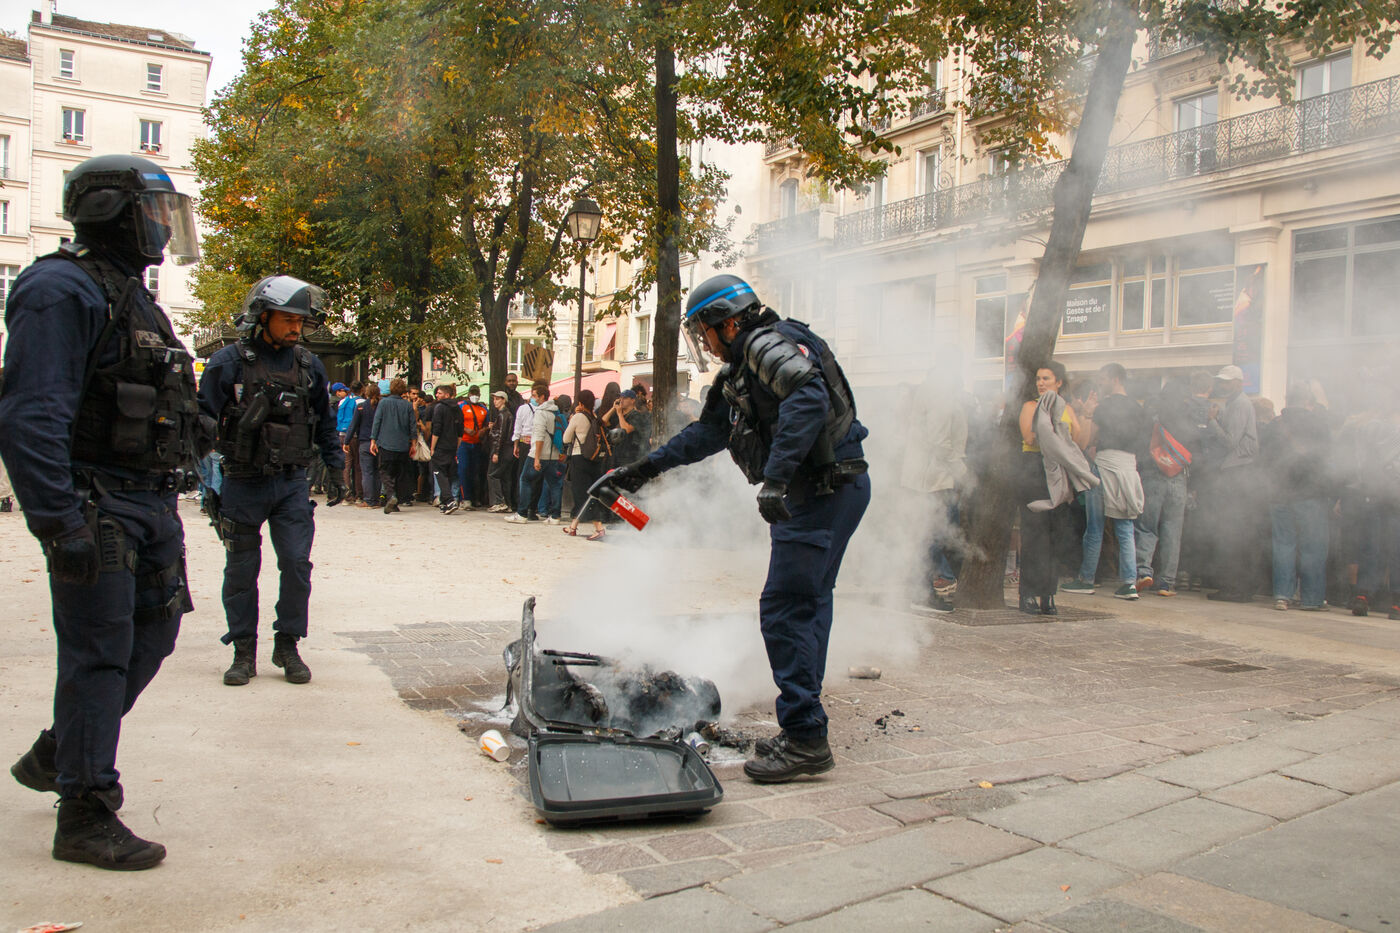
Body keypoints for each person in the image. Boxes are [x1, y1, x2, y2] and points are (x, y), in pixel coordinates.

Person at [1, 154, 206, 869]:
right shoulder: (59, 289)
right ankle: (85, 811)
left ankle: (62, 748)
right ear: (108, 211)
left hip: (150, 500)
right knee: (98, 656)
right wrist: (59, 522)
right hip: (97, 501)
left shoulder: (135, 297)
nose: (162, 228)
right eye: (152, 212)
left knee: (156, 634)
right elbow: (32, 413)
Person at [596, 274, 869, 784]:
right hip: (830, 489)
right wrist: (642, 470)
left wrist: (777, 478)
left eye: (704, 331)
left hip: (818, 491)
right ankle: (804, 727)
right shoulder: (745, 366)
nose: (704, 342)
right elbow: (708, 433)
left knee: (785, 609)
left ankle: (806, 737)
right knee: (807, 603)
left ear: (727, 322)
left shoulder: (765, 345)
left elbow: (808, 397)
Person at [199, 275, 345, 688]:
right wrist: (200, 476)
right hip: (242, 483)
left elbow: (324, 422)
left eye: (301, 321)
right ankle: (243, 651)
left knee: (297, 564)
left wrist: (335, 468)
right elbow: (201, 419)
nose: (297, 327)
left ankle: (287, 645)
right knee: (241, 570)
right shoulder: (227, 362)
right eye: (288, 319)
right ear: (262, 316)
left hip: (291, 483)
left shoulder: (308, 365)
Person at [1019, 361, 1093, 615]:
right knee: (1034, 534)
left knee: (1054, 536)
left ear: (1059, 382)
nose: (1041, 383)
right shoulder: (1030, 406)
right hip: (1035, 470)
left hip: (1059, 474)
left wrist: (1087, 415)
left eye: (1046, 379)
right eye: (1039, 379)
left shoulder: (1067, 409)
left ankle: (1048, 594)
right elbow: (1030, 437)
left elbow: (1080, 443)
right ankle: (1028, 593)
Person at [898, 363, 967, 613]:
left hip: (928, 477)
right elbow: (939, 441)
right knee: (933, 536)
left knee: (929, 535)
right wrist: (961, 471)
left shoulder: (928, 392)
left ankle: (920, 588)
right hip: (935, 478)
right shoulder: (939, 394)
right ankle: (925, 591)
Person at [1262, 382, 1332, 611]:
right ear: (1308, 401)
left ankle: (1283, 595)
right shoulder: (1318, 424)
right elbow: (1328, 459)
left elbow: (1264, 460)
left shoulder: (1274, 425)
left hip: (1279, 493)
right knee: (1313, 546)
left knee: (1283, 544)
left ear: (1287, 400)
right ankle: (1312, 599)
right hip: (1310, 493)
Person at [1204, 364, 1260, 602]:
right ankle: (1238, 586)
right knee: (1236, 530)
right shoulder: (1237, 403)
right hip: (1239, 470)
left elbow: (1230, 441)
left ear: (1238, 382)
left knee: (1233, 530)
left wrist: (1212, 422)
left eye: (1227, 381)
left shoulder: (1239, 404)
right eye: (1222, 381)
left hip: (1236, 471)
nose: (1223, 385)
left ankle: (1236, 587)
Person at [563, 389, 610, 540]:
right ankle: (573, 527)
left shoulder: (578, 417)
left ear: (581, 403)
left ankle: (599, 529)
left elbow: (566, 438)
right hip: (594, 459)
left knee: (582, 495)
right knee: (590, 493)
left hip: (579, 458)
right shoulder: (594, 417)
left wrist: (572, 419)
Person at [371, 378, 417, 512]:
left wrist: (373, 440)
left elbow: (377, 421)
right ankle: (396, 500)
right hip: (402, 444)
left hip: (386, 443)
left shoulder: (383, 403)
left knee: (385, 471)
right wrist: (413, 443)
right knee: (399, 473)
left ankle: (391, 495)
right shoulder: (407, 405)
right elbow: (412, 425)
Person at [428, 383, 463, 514]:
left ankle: (449, 500)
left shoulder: (440, 408)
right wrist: (457, 446)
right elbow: (460, 430)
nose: (437, 395)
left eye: (440, 393)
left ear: (447, 395)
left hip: (441, 445)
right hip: (452, 445)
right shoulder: (457, 409)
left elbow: (436, 429)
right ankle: (445, 502)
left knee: (439, 472)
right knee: (449, 473)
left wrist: (432, 447)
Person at [457, 386, 490, 510]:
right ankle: (464, 499)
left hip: (477, 443)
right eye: (472, 393)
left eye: (477, 393)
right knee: (464, 469)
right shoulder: (461, 406)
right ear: (469, 394)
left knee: (475, 471)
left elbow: (488, 424)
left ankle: (475, 498)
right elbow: (455, 421)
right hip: (464, 442)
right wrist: (465, 429)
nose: (474, 396)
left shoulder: (483, 409)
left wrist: (483, 430)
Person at [350, 382, 381, 508]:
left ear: (366, 393)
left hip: (364, 441)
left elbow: (354, 425)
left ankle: (368, 499)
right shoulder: (381, 406)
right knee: (377, 471)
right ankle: (377, 499)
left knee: (367, 472)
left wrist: (346, 441)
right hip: (379, 442)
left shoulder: (361, 407)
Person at [486, 389, 516, 511]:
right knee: (505, 477)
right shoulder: (508, 415)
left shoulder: (503, 415)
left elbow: (501, 435)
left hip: (501, 450)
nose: (495, 401)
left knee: (492, 475)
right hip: (507, 450)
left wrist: (496, 452)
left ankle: (498, 502)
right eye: (494, 399)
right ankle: (508, 503)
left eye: (497, 399)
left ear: (504, 400)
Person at [338, 381, 364, 504]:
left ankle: (346, 494)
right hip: (354, 436)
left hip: (342, 434)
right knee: (358, 465)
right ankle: (359, 495)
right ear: (361, 389)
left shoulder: (343, 401)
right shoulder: (361, 402)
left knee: (346, 465)